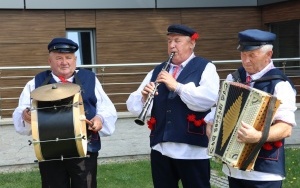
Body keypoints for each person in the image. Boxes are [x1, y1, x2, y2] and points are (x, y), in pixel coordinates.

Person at [12, 37, 117, 188]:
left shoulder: (90, 78)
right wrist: (25, 115)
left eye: (68, 57)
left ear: (75, 59)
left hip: (84, 151)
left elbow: (107, 109)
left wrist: (99, 118)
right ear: (50, 61)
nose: (64, 62)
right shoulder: (36, 82)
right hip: (50, 153)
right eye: (58, 58)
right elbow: (21, 110)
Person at [126, 24, 220, 188]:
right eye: (169, 41)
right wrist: (144, 97)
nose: (172, 46)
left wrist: (177, 86)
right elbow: (133, 107)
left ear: (192, 43)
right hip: (161, 149)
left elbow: (208, 99)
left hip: (192, 150)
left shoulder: (206, 67)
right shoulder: (157, 70)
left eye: (177, 41)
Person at [206, 29, 297, 188]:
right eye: (243, 55)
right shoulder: (234, 78)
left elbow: (286, 128)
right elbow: (221, 109)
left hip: (263, 173)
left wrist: (258, 136)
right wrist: (211, 123)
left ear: (269, 55)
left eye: (252, 55)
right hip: (232, 169)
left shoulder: (280, 84)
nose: (246, 60)